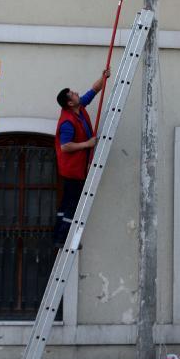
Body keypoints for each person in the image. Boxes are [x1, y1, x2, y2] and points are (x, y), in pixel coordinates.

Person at [53, 68, 110, 249]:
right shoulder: (68, 121)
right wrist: (87, 144)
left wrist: (103, 78)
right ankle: (64, 240)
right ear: (70, 103)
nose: (77, 93)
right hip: (73, 170)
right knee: (72, 205)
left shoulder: (79, 108)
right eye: (73, 94)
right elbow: (65, 146)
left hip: (76, 168)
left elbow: (92, 92)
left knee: (66, 204)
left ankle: (59, 236)